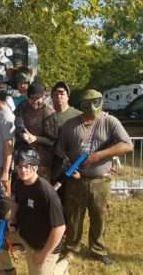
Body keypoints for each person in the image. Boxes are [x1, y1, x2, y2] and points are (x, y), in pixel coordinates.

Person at [56, 89, 133, 265]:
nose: (91, 107)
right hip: (76, 180)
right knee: (74, 216)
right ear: (81, 105)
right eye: (87, 103)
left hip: (101, 181)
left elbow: (127, 145)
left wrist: (100, 155)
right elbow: (60, 151)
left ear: (101, 102)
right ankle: (72, 247)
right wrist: (69, 166)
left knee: (99, 216)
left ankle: (98, 249)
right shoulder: (70, 125)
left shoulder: (109, 121)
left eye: (95, 102)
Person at [0, 148, 68, 275]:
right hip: (24, 234)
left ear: (35, 167)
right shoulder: (20, 183)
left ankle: (61, 266)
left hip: (42, 246)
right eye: (20, 167)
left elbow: (60, 229)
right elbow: (16, 203)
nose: (23, 170)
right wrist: (12, 219)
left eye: (27, 166)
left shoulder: (46, 193)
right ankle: (6, 270)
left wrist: (43, 255)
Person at [14, 79, 58, 181]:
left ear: (43, 96)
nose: (35, 101)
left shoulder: (49, 113)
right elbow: (16, 124)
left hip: (42, 162)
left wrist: (35, 138)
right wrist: (21, 134)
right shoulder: (22, 107)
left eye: (38, 98)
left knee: (40, 191)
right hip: (24, 159)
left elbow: (52, 140)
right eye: (32, 98)